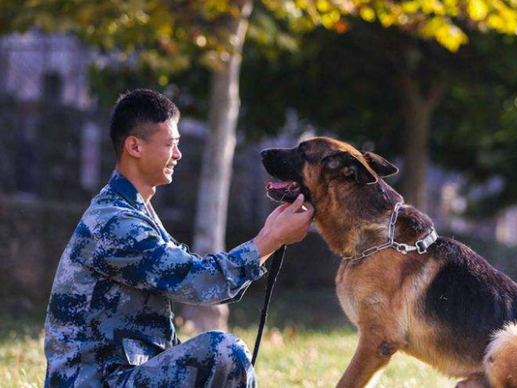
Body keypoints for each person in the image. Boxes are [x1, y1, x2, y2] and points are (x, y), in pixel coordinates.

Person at [43, 89, 314, 388]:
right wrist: (271, 238)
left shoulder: (132, 210)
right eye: (170, 144)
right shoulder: (114, 222)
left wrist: (268, 237)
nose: (178, 154)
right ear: (134, 146)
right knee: (223, 353)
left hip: (118, 378)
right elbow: (197, 280)